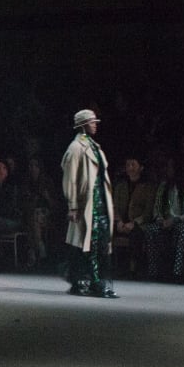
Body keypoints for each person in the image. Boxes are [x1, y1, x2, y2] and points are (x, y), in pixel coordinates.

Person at [61, 109, 117, 298]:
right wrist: (73, 205)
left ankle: (85, 281)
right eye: (92, 122)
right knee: (91, 244)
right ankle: (96, 283)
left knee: (99, 244)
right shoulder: (76, 148)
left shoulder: (93, 146)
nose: (95, 125)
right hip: (88, 205)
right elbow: (70, 179)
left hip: (99, 202)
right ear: (83, 125)